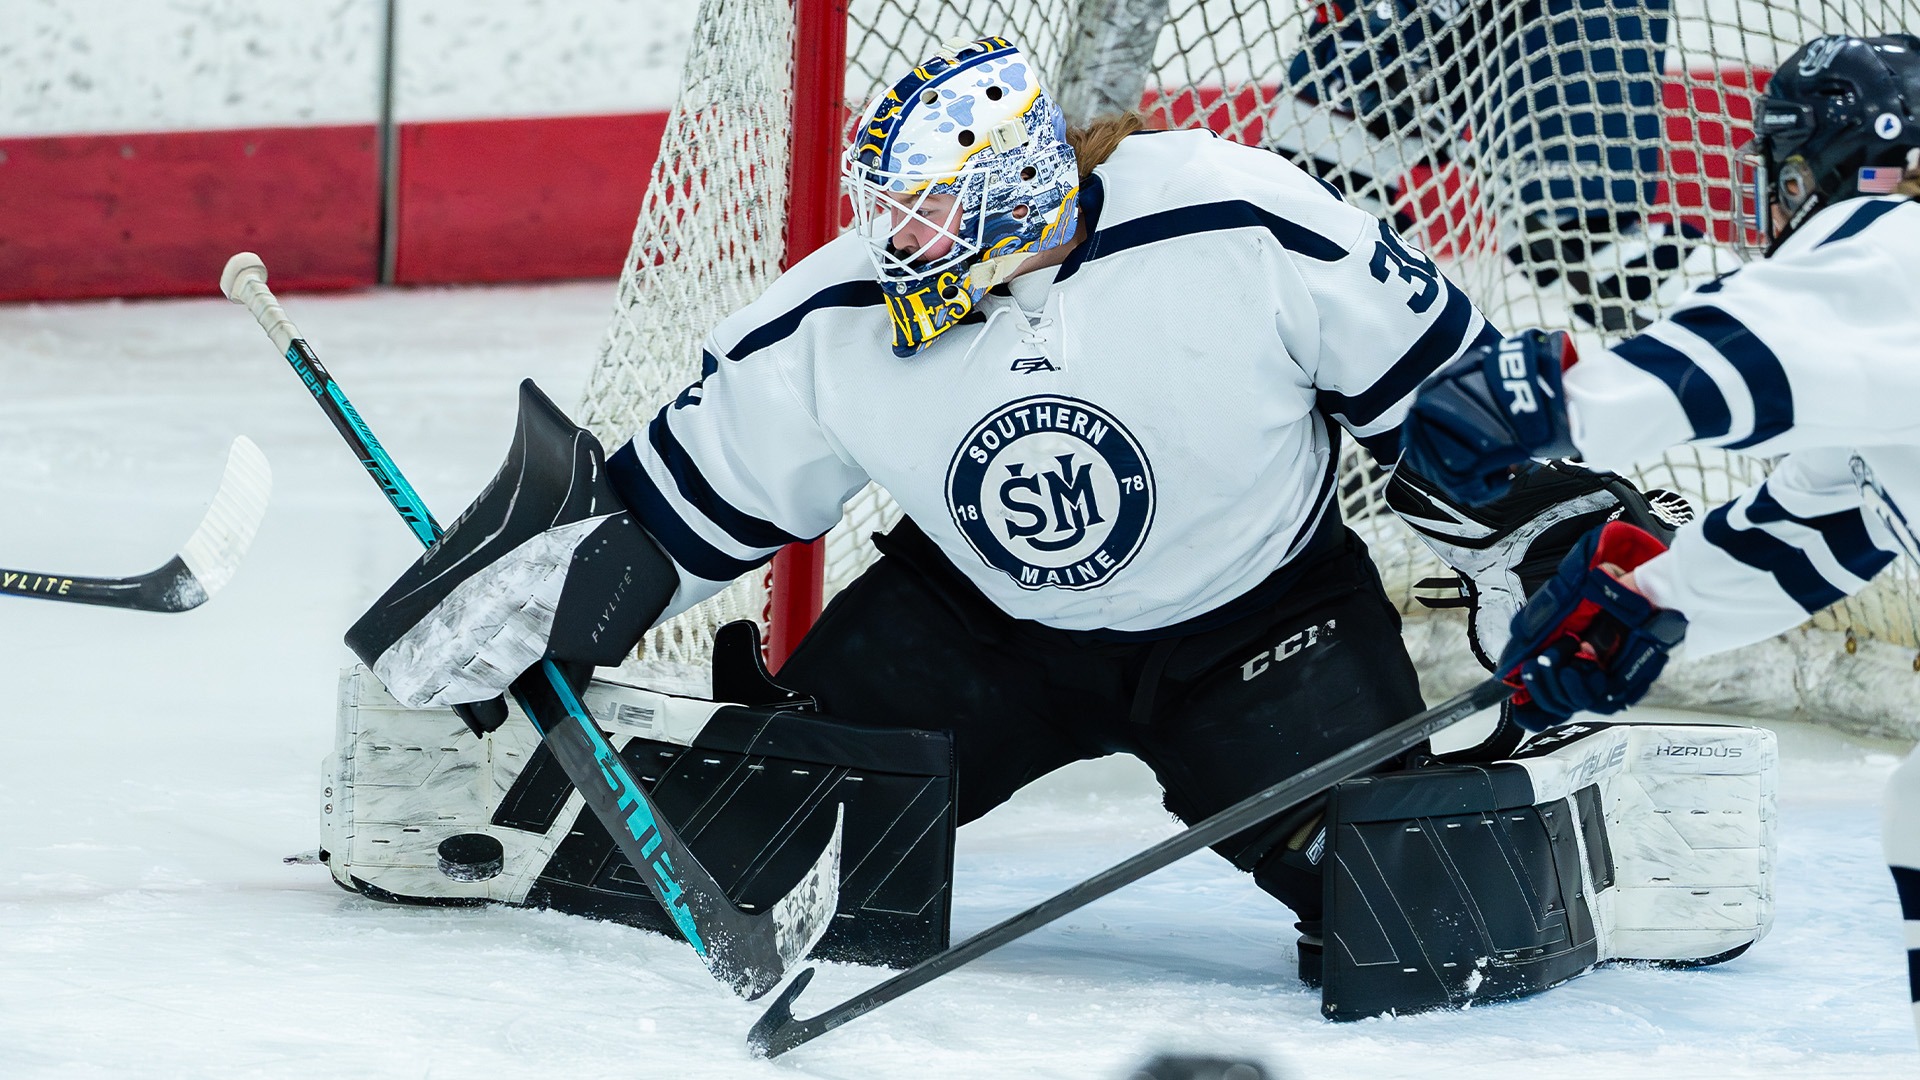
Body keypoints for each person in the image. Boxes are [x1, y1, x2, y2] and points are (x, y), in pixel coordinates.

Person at [342, 35, 1658, 982]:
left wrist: (1538, 547)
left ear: (1013, 187)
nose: (895, 238)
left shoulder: (1236, 218)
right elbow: (684, 510)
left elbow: (1450, 406)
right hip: (975, 632)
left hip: (1262, 627)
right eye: (890, 208)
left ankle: (1576, 824)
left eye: (929, 210)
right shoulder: (835, 318)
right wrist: (568, 587)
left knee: (1415, 920)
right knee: (750, 860)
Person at [1397, 32, 1920, 1038]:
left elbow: (1740, 355)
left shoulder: (1892, 247)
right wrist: (1646, 604)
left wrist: (1551, 403)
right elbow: (1821, 527)